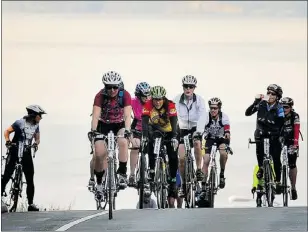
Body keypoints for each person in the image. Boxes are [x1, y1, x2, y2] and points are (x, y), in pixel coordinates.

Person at [88, 71, 132, 196]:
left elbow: (128, 114)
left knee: (123, 141)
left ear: (119, 86)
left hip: (119, 124)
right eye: (109, 87)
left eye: (115, 87)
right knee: (99, 153)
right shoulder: (100, 96)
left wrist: (128, 129)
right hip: (103, 125)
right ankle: (99, 183)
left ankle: (122, 173)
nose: (112, 90)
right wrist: (93, 131)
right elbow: (95, 116)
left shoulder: (125, 95)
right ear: (104, 86)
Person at [2, 105, 47, 211]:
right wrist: (8, 141)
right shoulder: (19, 123)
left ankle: (30, 204)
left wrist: (36, 143)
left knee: (30, 178)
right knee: (7, 174)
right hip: (15, 150)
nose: (41, 118)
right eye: (39, 115)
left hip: (26, 151)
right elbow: (7, 131)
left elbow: (38, 138)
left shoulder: (36, 126)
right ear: (34, 115)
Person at [245, 84, 284, 195]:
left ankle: (277, 181)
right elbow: (247, 113)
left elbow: (281, 121)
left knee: (276, 157)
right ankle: (261, 168)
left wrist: (279, 134)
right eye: (268, 93)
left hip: (274, 134)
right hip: (261, 133)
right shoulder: (261, 104)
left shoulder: (279, 107)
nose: (270, 95)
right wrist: (255, 102)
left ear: (277, 96)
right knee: (259, 147)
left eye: (273, 94)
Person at [141, 86, 179, 197]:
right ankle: (152, 170)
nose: (157, 102)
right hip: (156, 131)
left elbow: (174, 121)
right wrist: (145, 136)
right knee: (151, 145)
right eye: (155, 99)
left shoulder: (170, 105)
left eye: (160, 99)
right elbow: (144, 122)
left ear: (163, 98)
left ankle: (172, 180)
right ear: (152, 98)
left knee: (172, 155)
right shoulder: (148, 105)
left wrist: (174, 137)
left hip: (170, 131)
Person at [173, 75, 207, 191]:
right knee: (181, 158)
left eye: (191, 87)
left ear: (194, 88)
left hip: (194, 128)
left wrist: (199, 131)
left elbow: (203, 117)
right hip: (181, 129)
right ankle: (183, 184)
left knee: (197, 143)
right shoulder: (177, 100)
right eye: (186, 86)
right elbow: (173, 116)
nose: (188, 89)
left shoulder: (199, 100)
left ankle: (198, 169)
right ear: (183, 87)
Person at [202, 97, 231, 189]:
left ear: (219, 109)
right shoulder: (206, 116)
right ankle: (203, 185)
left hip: (222, 139)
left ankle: (222, 174)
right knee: (206, 160)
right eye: (211, 108)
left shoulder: (224, 116)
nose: (213, 110)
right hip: (210, 138)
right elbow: (201, 126)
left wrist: (227, 133)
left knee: (223, 154)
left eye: (215, 108)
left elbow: (226, 126)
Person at [128, 82, 151, 187]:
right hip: (136, 130)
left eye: (148, 95)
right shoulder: (133, 101)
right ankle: (132, 174)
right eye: (143, 96)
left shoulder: (153, 102)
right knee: (136, 146)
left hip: (150, 130)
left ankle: (153, 172)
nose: (146, 98)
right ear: (138, 95)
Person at [279, 97, 301, 200]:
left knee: (292, 163)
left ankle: (293, 187)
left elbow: (296, 130)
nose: (284, 109)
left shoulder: (295, 116)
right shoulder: (278, 114)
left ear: (291, 107)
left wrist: (295, 143)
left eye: (286, 107)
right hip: (280, 139)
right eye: (282, 107)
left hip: (291, 140)